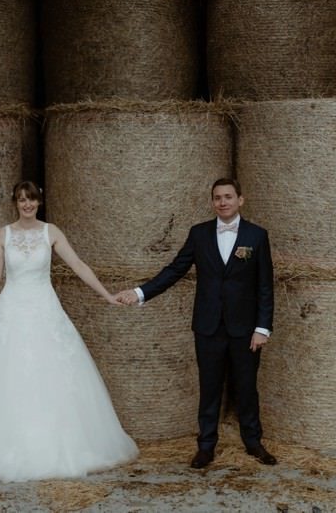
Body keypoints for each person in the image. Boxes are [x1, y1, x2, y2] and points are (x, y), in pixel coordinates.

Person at [0, 181, 138, 481]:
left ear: (40, 202)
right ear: (15, 202)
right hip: (11, 310)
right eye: (21, 200)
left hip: (45, 310)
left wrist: (106, 295)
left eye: (32, 199)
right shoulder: (4, 234)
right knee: (5, 377)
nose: (27, 204)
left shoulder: (50, 232)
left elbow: (78, 264)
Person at [116, 178, 276, 469]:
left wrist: (262, 328)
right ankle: (206, 447)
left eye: (228, 196)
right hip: (208, 326)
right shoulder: (199, 234)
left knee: (247, 387)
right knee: (210, 386)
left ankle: (253, 443)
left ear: (241, 200)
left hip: (245, 329)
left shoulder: (257, 236)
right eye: (217, 197)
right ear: (213, 202)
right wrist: (140, 293)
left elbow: (265, 285)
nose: (223, 202)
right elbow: (175, 269)